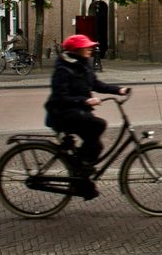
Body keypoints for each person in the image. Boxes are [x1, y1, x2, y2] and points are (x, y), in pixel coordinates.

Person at [44, 34, 129, 199]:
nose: (91, 49)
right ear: (76, 50)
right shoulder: (63, 69)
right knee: (98, 125)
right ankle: (80, 169)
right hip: (61, 113)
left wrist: (119, 90)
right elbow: (60, 98)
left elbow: (97, 84)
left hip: (76, 112)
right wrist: (85, 101)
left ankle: (80, 173)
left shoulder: (84, 65)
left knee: (96, 146)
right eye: (87, 47)